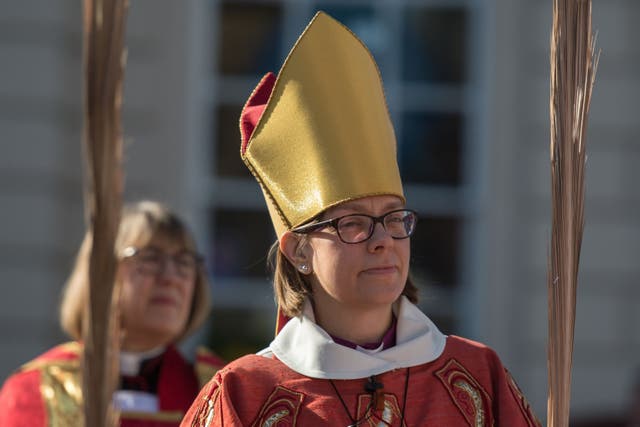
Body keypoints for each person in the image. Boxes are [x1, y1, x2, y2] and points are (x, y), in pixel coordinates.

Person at [181, 12, 541, 427]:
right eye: (353, 223)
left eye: (394, 219)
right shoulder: (245, 393)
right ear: (299, 249)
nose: (382, 240)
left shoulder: (477, 377)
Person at [0, 200, 224, 427]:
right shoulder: (40, 388)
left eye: (183, 261)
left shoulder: (217, 392)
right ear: (101, 274)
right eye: (150, 258)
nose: (170, 277)